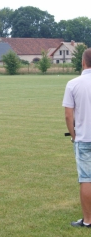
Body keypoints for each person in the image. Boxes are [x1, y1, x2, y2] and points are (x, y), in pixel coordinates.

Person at [62, 47, 91, 228]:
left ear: (83, 62)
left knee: (86, 178)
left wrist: (74, 135)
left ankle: (88, 220)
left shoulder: (73, 83)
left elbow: (68, 115)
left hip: (84, 138)